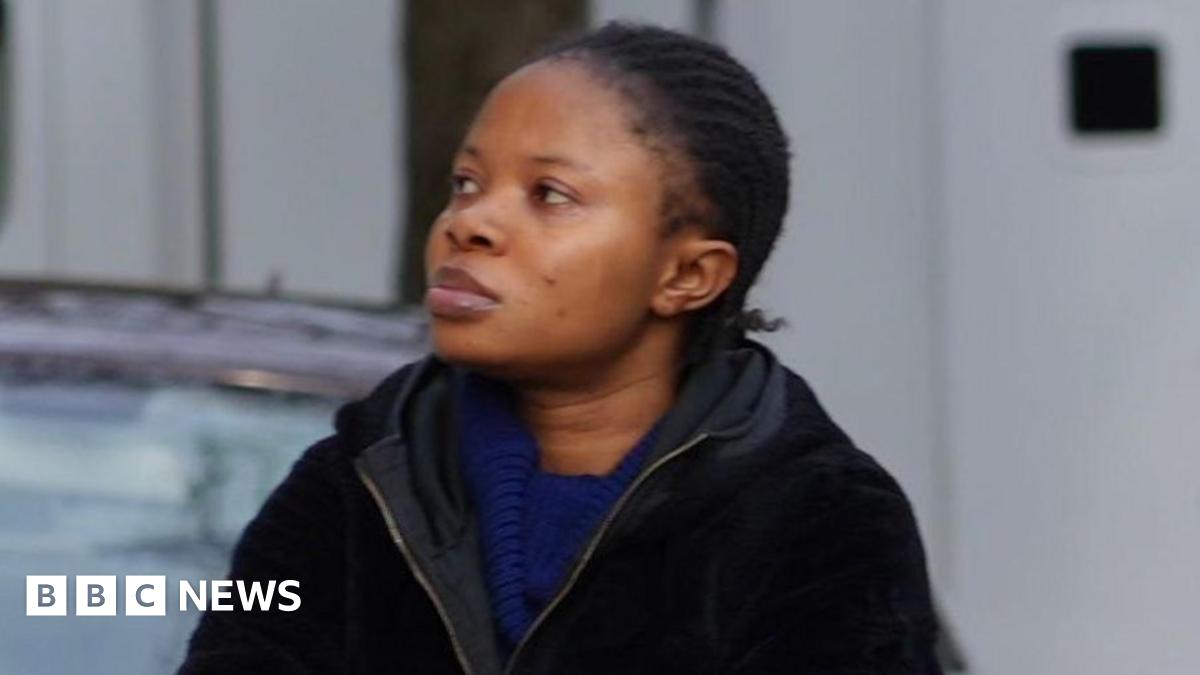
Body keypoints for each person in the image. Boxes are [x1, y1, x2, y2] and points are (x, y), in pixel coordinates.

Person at [179, 21, 941, 674]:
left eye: (550, 195)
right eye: (466, 182)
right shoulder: (358, 481)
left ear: (687, 275)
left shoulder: (819, 517)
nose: (469, 223)